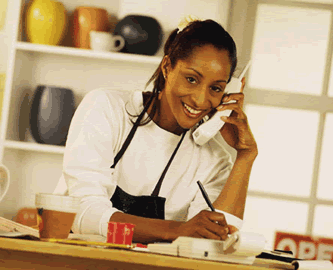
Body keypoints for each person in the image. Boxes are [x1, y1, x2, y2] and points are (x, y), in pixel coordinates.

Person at [58, 17, 258, 244]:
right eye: (191, 79)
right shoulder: (106, 108)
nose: (201, 99)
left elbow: (214, 243)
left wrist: (246, 155)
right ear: (166, 67)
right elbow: (83, 213)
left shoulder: (215, 162)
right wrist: (176, 230)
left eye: (216, 88)